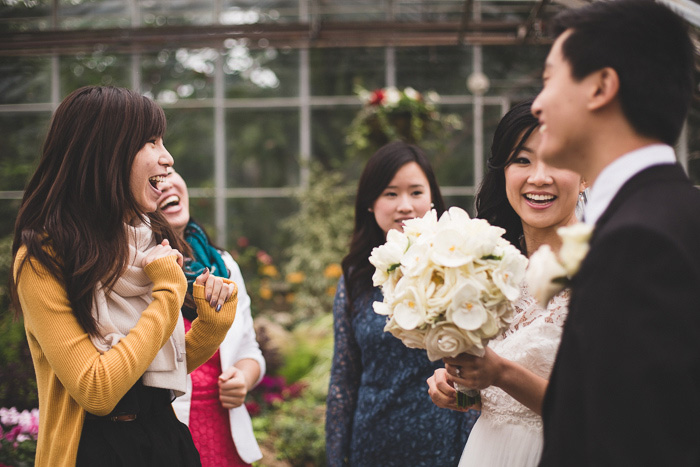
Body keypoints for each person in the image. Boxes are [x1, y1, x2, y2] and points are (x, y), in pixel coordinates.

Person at [10, 85, 237, 467]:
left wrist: (212, 326)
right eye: (150, 141)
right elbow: (98, 389)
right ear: (105, 152)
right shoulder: (43, 258)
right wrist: (168, 293)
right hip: (92, 449)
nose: (167, 158)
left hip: (166, 440)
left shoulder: (151, 239)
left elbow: (158, 369)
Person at [529, 1, 700, 464]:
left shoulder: (640, 243)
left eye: (549, 79)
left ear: (601, 86)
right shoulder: (672, 213)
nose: (537, 102)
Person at [426, 98, 585, 466]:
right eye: (521, 160)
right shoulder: (491, 269)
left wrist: (501, 373)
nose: (539, 177)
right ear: (503, 172)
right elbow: (493, 395)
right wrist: (459, 387)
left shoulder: (605, 270)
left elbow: (606, 409)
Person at [325, 141, 478, 466]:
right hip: (373, 440)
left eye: (416, 192)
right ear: (370, 203)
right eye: (391, 193)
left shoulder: (459, 267)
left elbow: (476, 366)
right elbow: (344, 373)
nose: (405, 206)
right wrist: (337, 456)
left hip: (444, 440)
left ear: (433, 197)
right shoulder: (356, 276)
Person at [159, 168, 266, 466]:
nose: (167, 184)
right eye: (155, 181)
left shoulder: (224, 265)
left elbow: (249, 349)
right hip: (168, 436)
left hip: (227, 437)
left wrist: (243, 379)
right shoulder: (137, 272)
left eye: (169, 171)